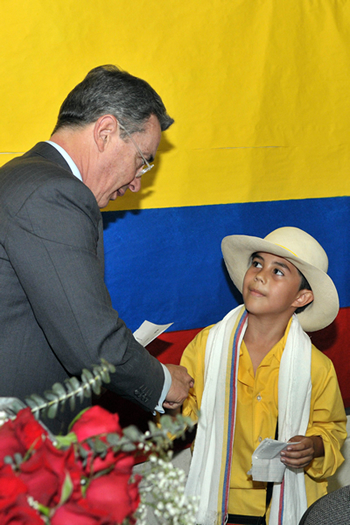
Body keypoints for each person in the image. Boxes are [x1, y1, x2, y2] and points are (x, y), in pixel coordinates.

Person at [0, 64, 193, 433]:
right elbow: (91, 341)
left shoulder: (19, 175)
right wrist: (162, 381)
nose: (137, 183)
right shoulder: (54, 193)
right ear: (105, 131)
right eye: (142, 160)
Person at [179, 227, 347, 525]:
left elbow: (332, 430)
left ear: (302, 296)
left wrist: (314, 446)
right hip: (217, 500)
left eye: (278, 271)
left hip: (289, 503)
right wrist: (170, 400)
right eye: (257, 263)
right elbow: (184, 419)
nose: (260, 274)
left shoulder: (315, 366)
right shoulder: (207, 346)